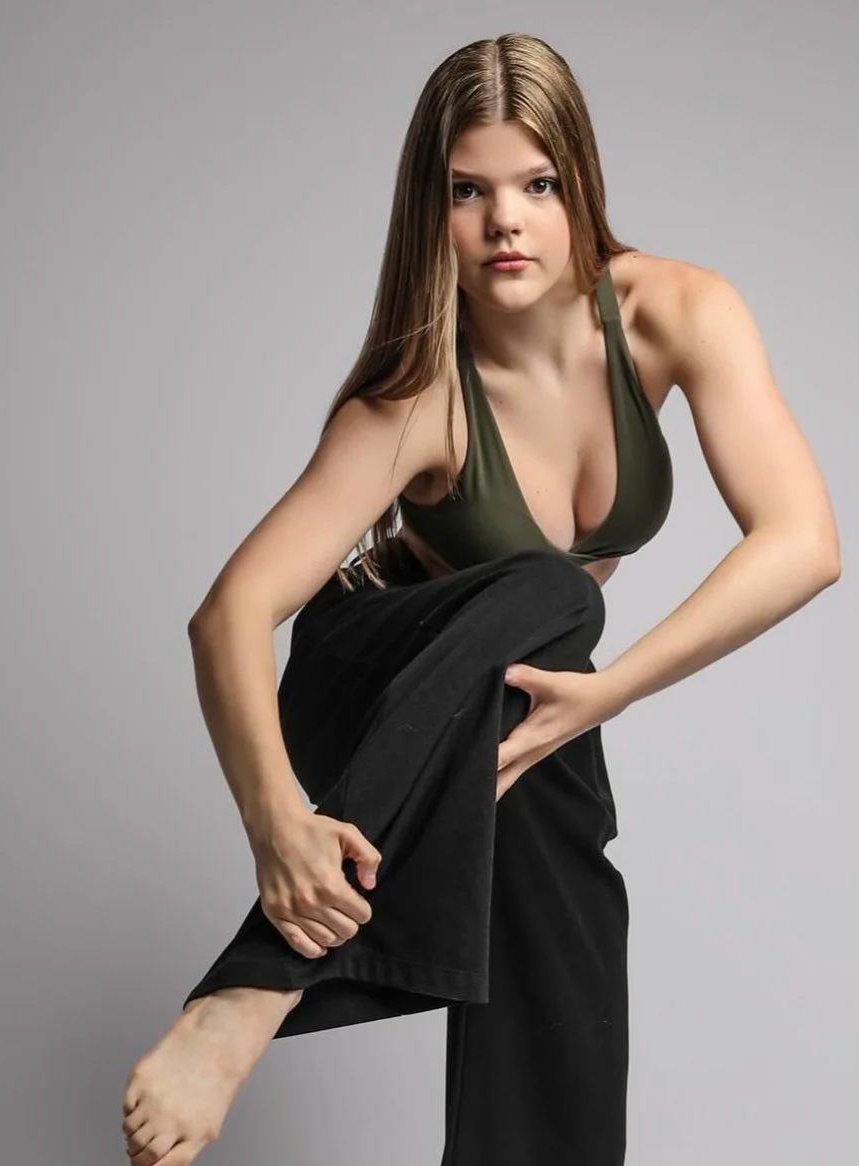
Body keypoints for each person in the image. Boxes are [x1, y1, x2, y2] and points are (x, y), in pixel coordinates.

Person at [119, 32, 840, 1166]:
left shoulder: (674, 312)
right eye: (470, 190)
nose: (507, 222)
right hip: (371, 682)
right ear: (432, 208)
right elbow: (230, 613)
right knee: (555, 590)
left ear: (580, 186)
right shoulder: (416, 392)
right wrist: (274, 826)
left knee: (567, 921)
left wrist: (601, 701)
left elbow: (803, 541)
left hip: (517, 694)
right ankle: (254, 982)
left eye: (538, 185)